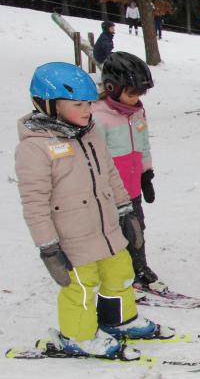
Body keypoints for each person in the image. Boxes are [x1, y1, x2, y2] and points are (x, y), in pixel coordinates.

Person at [15, 62, 172, 359]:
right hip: (72, 237)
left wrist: (126, 211)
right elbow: (34, 202)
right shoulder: (35, 148)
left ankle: (118, 320)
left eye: (88, 103)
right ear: (48, 104)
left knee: (120, 274)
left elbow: (110, 173)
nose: (87, 110)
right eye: (77, 104)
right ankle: (78, 336)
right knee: (82, 289)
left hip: (107, 228)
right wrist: (48, 247)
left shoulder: (89, 133)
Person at [91, 51, 166, 293]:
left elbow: (143, 144)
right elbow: (94, 159)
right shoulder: (97, 117)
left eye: (140, 94)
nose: (136, 99)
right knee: (113, 233)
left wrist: (147, 174)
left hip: (132, 187)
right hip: (108, 193)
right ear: (112, 87)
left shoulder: (137, 113)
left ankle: (139, 268)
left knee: (136, 228)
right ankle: (113, 274)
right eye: (131, 93)